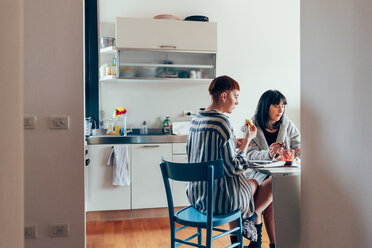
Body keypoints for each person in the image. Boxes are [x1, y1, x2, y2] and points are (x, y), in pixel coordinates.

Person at [186, 75, 273, 247]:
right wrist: (247, 141)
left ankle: (241, 237)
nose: (237, 102)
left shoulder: (196, 120)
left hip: (196, 196)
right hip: (219, 200)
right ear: (224, 96)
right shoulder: (222, 122)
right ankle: (252, 226)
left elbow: (203, 153)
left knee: (250, 185)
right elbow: (235, 167)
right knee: (262, 183)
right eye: (236, 96)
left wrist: (233, 142)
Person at [242, 90, 301, 248]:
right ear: (265, 106)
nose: (281, 110)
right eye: (276, 106)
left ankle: (254, 222)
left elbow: (299, 146)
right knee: (270, 190)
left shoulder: (286, 124)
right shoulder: (252, 126)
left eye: (283, 106)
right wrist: (268, 154)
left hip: (283, 172)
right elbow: (249, 155)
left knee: (273, 187)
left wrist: (294, 154)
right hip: (258, 172)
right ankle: (272, 243)